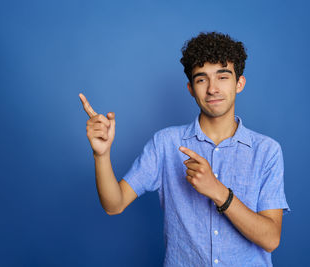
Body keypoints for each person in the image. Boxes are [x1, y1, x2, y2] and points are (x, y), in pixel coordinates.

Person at [78, 31, 290, 266]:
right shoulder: (166, 143)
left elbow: (271, 239)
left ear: (239, 83)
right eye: (202, 79)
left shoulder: (267, 151)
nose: (212, 89)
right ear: (190, 88)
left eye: (222, 77)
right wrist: (102, 154)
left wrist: (217, 191)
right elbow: (113, 205)